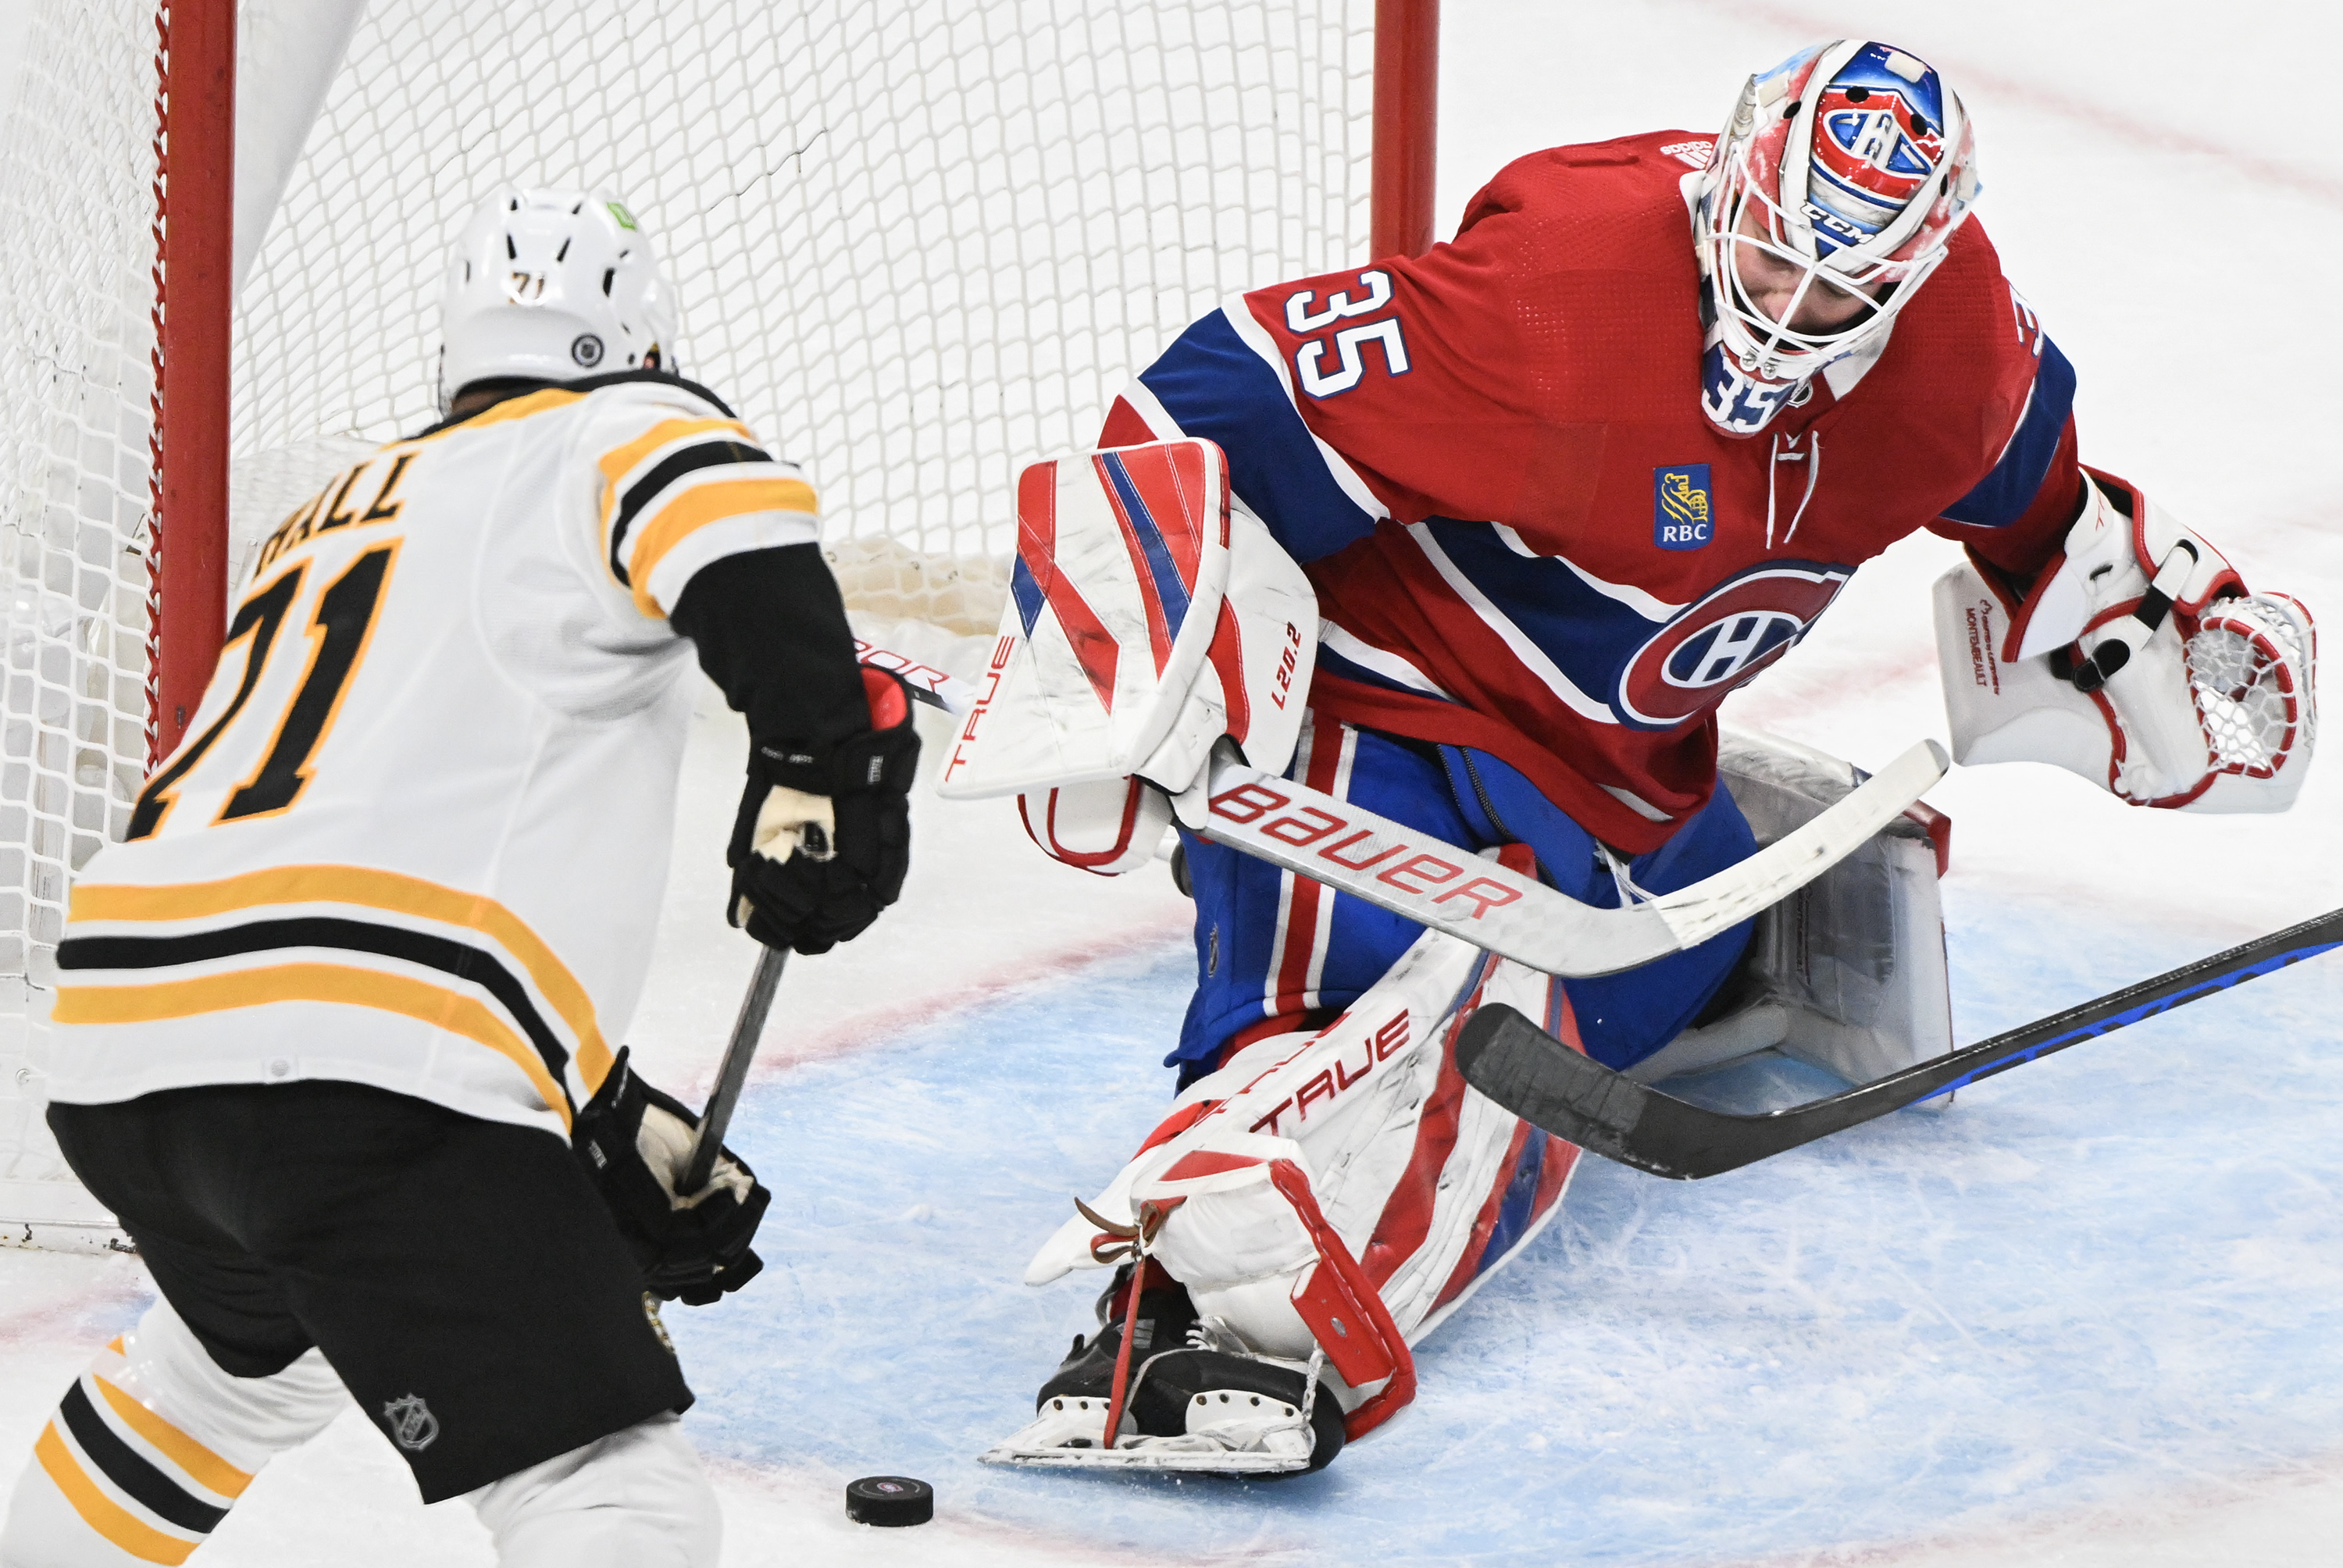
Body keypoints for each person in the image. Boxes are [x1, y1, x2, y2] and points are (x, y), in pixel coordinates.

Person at [983, 40, 2317, 1474]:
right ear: (1730, 179)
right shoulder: (1559, 286)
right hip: (1388, 705)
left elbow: (2057, 538)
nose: (1785, 312)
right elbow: (1198, 413)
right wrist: (1111, 658)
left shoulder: (1956, 364)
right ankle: (1188, 1305)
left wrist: (2152, 661)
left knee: (1552, 1032)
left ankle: (1672, 922)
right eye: (1768, 253)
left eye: (1840, 291)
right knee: (1327, 1007)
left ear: (1914, 279)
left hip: (1630, 805)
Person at [0, 187, 917, 1566]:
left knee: (223, 1381)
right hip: (356, 1061)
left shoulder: (323, 513)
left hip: (127, 1049)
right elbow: (729, 513)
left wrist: (595, 1118)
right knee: (606, 1484)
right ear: (646, 344)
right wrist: (817, 760)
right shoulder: (626, 427)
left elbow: (392, 826)